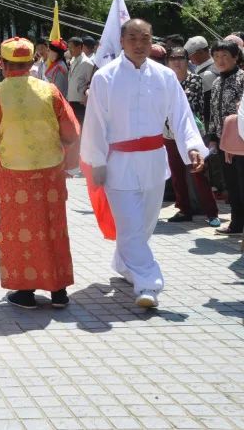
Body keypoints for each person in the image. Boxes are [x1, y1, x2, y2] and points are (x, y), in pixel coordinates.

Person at [80, 19, 207, 308]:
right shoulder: (105, 78)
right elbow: (95, 124)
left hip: (153, 161)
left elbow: (181, 115)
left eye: (145, 38)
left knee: (145, 226)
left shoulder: (164, 76)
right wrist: (96, 161)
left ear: (152, 42)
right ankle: (149, 284)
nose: (139, 44)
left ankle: (125, 264)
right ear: (121, 41)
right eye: (133, 38)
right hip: (118, 164)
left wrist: (192, 147)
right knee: (130, 226)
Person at [0, 37, 81, 309]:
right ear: (33, 61)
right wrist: (65, 162)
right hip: (50, 172)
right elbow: (71, 131)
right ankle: (59, 291)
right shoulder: (50, 91)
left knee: (19, 230)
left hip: (14, 173)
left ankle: (25, 292)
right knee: (53, 228)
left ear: (2, 64)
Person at [163, 47, 221, 226]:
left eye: (181, 58)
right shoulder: (164, 80)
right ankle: (183, 209)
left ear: (187, 60)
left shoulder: (195, 79)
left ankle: (212, 213)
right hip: (168, 133)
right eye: (173, 58)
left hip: (189, 133)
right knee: (177, 173)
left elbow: (192, 105)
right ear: (168, 61)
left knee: (198, 172)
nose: (177, 61)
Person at [208, 40, 244, 237]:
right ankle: (236, 223)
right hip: (224, 142)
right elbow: (213, 113)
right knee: (231, 184)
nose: (220, 61)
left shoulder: (242, 79)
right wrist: (213, 137)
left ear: (235, 57)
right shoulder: (216, 82)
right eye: (217, 56)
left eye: (225, 56)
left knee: (241, 182)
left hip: (241, 142)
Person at [66, 36, 94, 123]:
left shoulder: (87, 63)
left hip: (80, 102)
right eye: (68, 47)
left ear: (79, 47)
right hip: (70, 99)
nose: (69, 50)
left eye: (71, 47)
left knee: (79, 125)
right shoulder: (73, 60)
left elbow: (91, 83)